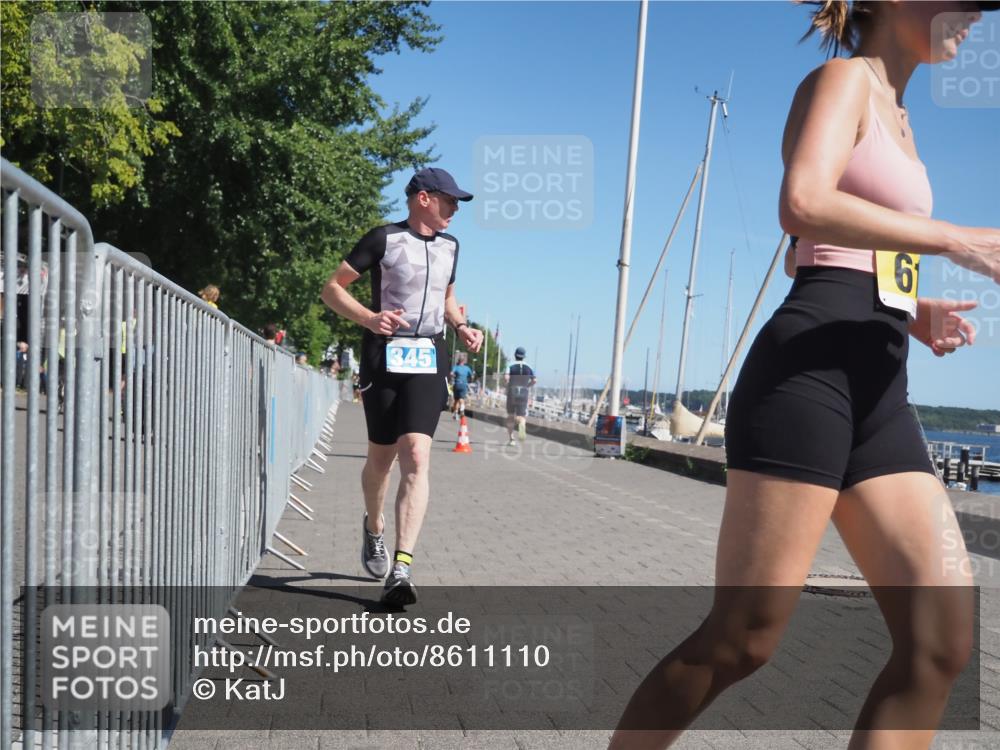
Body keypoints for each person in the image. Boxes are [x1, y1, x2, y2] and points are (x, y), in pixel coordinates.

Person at [611, 2, 1000, 748]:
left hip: (881, 389)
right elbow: (803, 206)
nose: (978, 16)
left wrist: (915, 309)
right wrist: (959, 239)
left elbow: (828, 246)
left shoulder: (904, 119)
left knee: (941, 640)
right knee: (743, 639)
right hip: (809, 375)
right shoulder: (841, 81)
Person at [321, 167, 484, 606]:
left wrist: (462, 325)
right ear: (424, 198)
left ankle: (402, 567)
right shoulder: (383, 239)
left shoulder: (452, 246)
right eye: (450, 201)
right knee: (381, 458)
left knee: (416, 453)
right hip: (384, 354)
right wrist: (370, 319)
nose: (455, 210)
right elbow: (332, 289)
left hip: (429, 355)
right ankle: (373, 527)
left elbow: (446, 297)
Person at [503, 347, 535, 446]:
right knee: (522, 416)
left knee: (510, 416)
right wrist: (527, 386)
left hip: (512, 392)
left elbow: (506, 377)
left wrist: (507, 385)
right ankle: (521, 425)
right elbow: (534, 380)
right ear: (524, 357)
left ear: (515, 355)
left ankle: (512, 439)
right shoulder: (529, 367)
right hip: (524, 393)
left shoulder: (510, 365)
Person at [449, 351, 475, 419]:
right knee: (462, 398)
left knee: (456, 400)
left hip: (457, 384)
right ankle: (462, 410)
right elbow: (472, 376)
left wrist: (455, 376)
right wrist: (469, 380)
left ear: (458, 361)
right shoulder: (467, 368)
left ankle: (455, 414)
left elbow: (451, 373)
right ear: (464, 362)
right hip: (464, 385)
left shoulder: (456, 367)